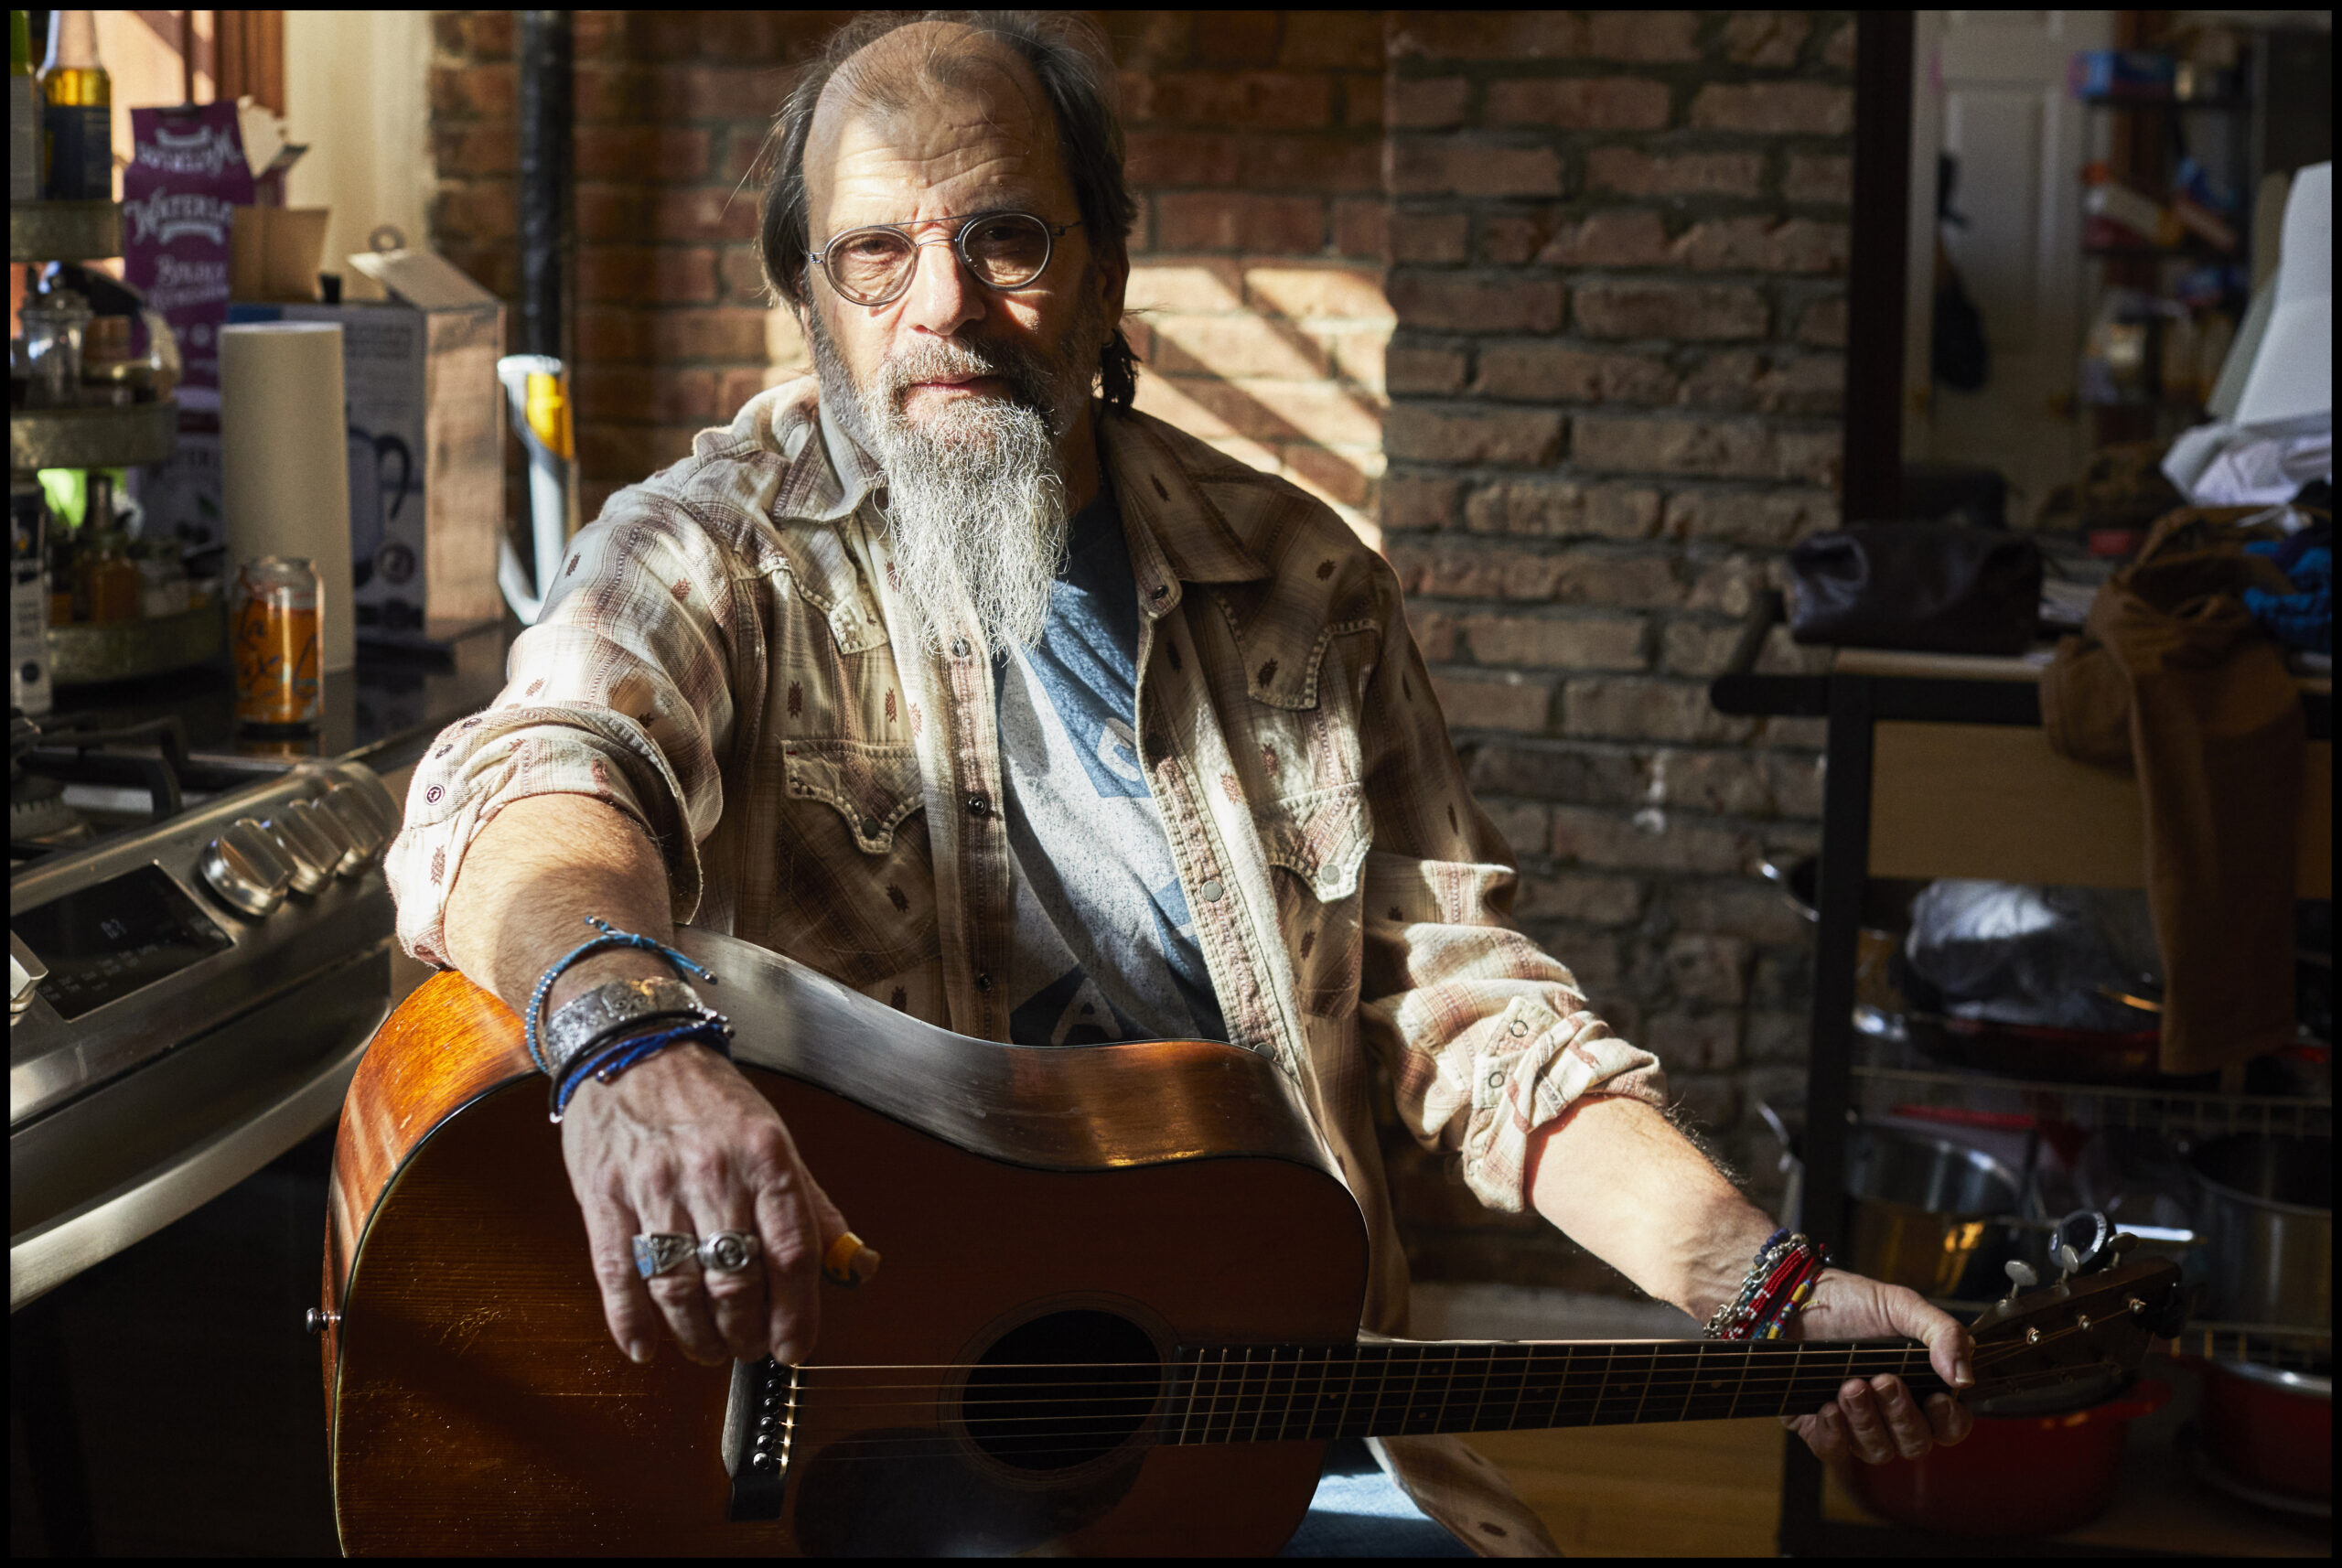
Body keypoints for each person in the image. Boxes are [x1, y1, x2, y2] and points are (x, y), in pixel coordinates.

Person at [385, 11, 1971, 1553]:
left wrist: (1761, 1286)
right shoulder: (708, 552)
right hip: (844, 1450)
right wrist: (626, 1036)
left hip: (1249, 1421)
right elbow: (540, 780)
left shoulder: (1304, 585)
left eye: (1006, 237)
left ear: (1108, 270)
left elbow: (1478, 1021)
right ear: (812, 300)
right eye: (875, 253)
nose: (944, 304)